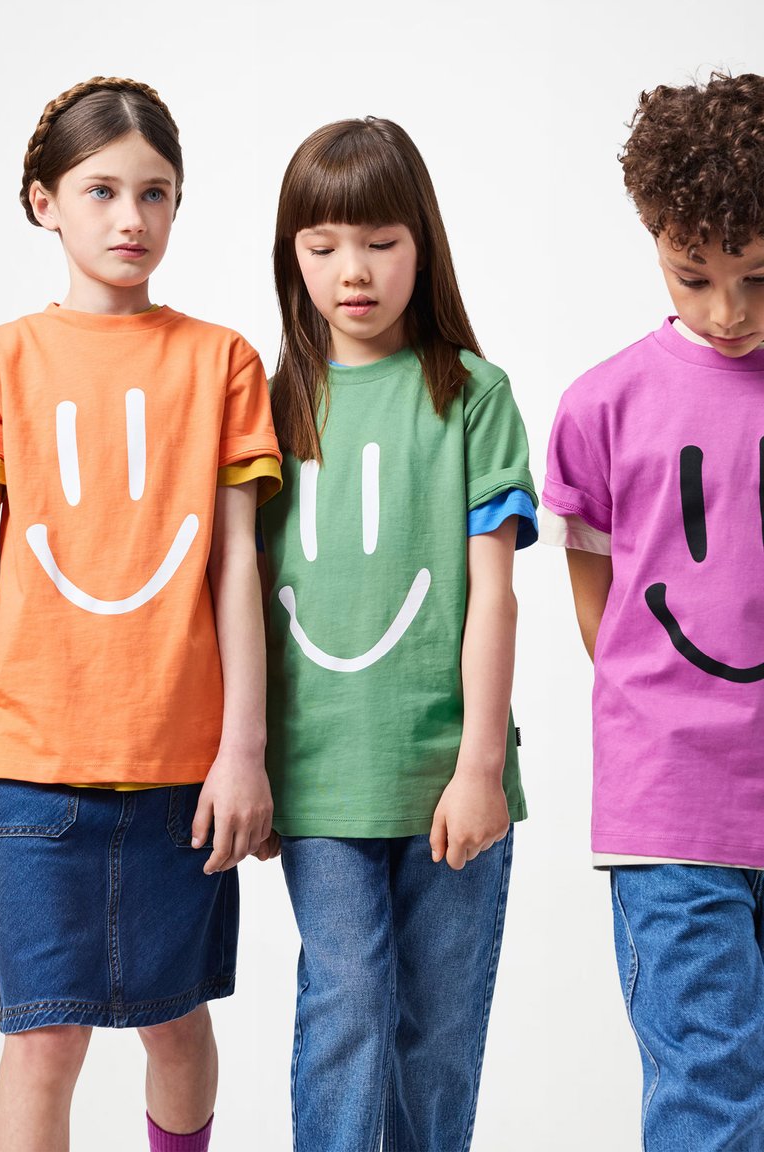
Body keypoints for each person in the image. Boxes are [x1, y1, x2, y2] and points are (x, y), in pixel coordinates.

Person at [0, 76, 281, 1152]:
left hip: (182, 767)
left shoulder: (222, 361)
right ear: (45, 202)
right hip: (31, 763)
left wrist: (243, 751)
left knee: (175, 1021)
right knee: (41, 1038)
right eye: (100, 191)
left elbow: (237, 566)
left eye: (155, 194)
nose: (130, 218)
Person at [257, 116, 537, 1152]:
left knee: (438, 1036)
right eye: (323, 245)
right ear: (291, 255)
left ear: (422, 243)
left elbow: (493, 595)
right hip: (319, 777)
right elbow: (241, 597)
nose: (354, 272)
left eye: (380, 242)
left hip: (446, 778)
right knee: (350, 1008)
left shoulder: (471, 395)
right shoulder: (271, 407)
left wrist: (478, 769)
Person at [541, 70, 764, 1151]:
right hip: (671, 811)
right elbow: (603, 611)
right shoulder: (600, 406)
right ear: (652, 236)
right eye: (694, 276)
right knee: (710, 1096)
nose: (727, 312)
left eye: (758, 278)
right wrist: (672, 716)